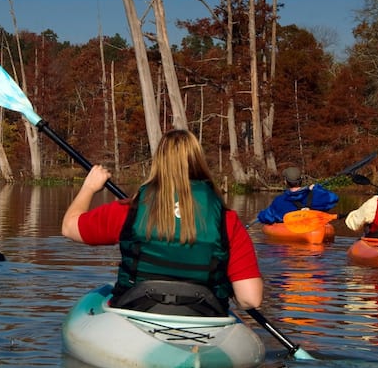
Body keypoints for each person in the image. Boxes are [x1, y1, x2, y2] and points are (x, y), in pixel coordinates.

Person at [61, 129, 263, 316]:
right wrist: (225, 285)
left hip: (136, 308)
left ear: (159, 163)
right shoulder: (227, 221)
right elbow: (250, 299)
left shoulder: (129, 211)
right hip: (203, 314)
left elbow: (69, 227)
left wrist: (89, 187)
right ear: (198, 163)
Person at [256, 166, 339, 225]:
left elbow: (267, 217)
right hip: (313, 228)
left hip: (292, 230)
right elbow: (334, 198)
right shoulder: (317, 194)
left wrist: (260, 216)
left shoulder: (280, 201)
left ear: (285, 182)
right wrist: (317, 189)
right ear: (301, 180)